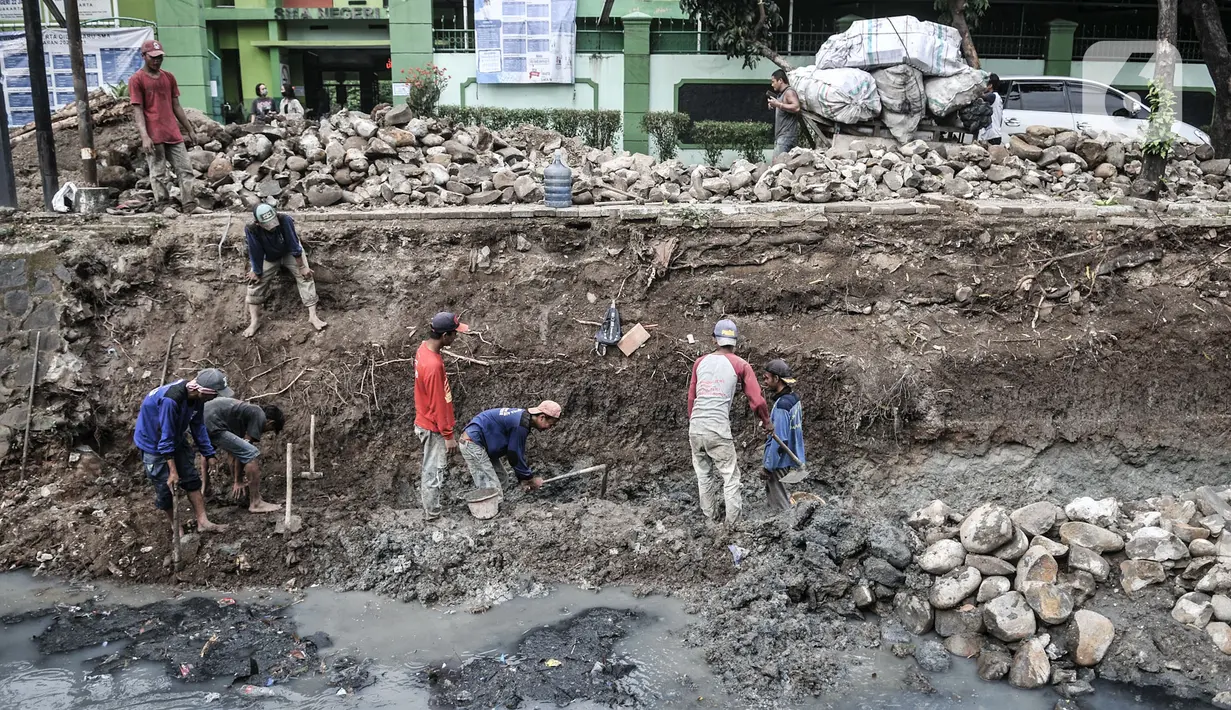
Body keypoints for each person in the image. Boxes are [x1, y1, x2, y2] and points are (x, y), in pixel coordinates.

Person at [687, 319, 770, 527]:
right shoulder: (740, 365)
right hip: (717, 428)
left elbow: (691, 397)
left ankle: (710, 519)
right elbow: (757, 400)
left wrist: (694, 422)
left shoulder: (700, 363)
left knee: (704, 474)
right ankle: (732, 526)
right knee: (730, 476)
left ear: (714, 340)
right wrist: (766, 422)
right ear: (735, 341)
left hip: (696, 426)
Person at [133, 368, 233, 536]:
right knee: (166, 487)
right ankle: (176, 527)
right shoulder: (171, 401)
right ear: (202, 391)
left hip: (175, 437)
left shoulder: (197, 398)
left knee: (191, 479)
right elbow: (165, 439)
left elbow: (198, 426)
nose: (216, 397)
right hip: (153, 443)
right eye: (215, 394)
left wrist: (209, 454)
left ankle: (203, 521)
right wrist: (172, 471)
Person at [128, 39, 201, 214]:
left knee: (185, 169)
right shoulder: (137, 80)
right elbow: (138, 110)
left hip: (172, 132)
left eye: (159, 57)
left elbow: (176, 105)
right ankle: (163, 205)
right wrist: (145, 136)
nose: (157, 61)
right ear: (144, 56)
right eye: (153, 57)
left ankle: (189, 204)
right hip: (154, 134)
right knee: (158, 173)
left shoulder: (168, 77)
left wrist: (189, 129)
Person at [412, 312, 469, 518]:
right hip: (432, 425)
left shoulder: (423, 349)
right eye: (454, 334)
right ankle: (432, 514)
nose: (456, 337)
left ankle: (431, 509)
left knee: (431, 466)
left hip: (425, 417)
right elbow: (438, 403)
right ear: (445, 336)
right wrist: (448, 435)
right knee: (433, 470)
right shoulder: (434, 366)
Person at [243, 204, 328, 337]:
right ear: (258, 223)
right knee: (255, 283)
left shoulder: (284, 219)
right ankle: (255, 322)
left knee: (305, 276)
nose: (272, 226)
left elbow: (293, 244)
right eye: (267, 224)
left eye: (273, 221)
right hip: (269, 257)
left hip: (289, 252)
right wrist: (257, 270)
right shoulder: (252, 229)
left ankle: (313, 316)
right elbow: (255, 250)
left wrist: (302, 266)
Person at [459, 402, 562, 499]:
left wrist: (524, 479)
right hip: (472, 443)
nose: (550, 428)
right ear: (542, 417)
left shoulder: (522, 419)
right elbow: (514, 454)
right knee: (491, 489)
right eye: (551, 424)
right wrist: (529, 479)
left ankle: (499, 505)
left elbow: (514, 452)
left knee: (502, 479)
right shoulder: (520, 425)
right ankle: (489, 512)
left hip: (482, 443)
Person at [203, 397, 284, 514]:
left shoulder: (242, 415)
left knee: (207, 450)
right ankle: (256, 503)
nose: (265, 432)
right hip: (212, 420)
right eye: (270, 429)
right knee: (251, 453)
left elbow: (233, 454)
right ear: (270, 423)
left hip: (201, 416)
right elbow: (244, 454)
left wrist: (236, 479)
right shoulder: (258, 415)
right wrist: (238, 481)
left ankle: (205, 490)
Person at [761, 359, 805, 512]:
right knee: (774, 492)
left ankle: (786, 523)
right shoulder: (794, 399)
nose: (765, 382)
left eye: (767, 378)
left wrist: (768, 466)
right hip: (793, 454)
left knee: (777, 496)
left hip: (781, 459)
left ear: (776, 378)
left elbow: (780, 439)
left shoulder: (781, 406)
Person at [768, 69, 802, 159]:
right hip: (782, 138)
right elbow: (783, 106)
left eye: (773, 82)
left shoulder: (789, 92)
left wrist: (778, 104)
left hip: (786, 138)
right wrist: (774, 105)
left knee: (776, 166)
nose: (772, 85)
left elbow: (796, 107)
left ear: (780, 80)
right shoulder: (781, 94)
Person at [979, 74, 1004, 145]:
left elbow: (981, 96)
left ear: (990, 85)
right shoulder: (998, 97)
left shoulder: (992, 96)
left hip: (991, 136)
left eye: (985, 84)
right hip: (995, 135)